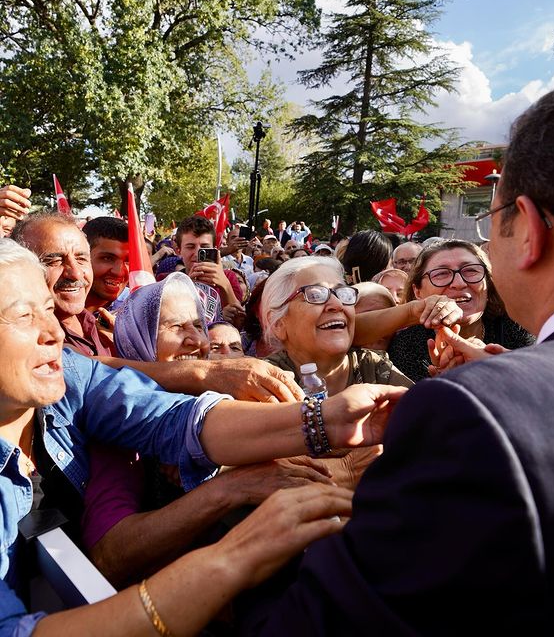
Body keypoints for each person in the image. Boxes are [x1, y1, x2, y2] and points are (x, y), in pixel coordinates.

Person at [237, 59, 554, 635]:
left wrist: (246, 560)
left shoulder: (478, 412)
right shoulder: (258, 380)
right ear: (273, 320)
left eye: (489, 220)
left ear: (527, 229)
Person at [0, 238, 406, 633]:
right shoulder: (102, 428)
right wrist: (231, 557)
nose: (54, 332)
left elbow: (180, 420)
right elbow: (101, 564)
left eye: (50, 310)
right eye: (23, 316)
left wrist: (330, 420)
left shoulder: (73, 377)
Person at [80, 273, 332, 587]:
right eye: (175, 326)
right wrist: (231, 488)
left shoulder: (226, 400)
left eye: (198, 326)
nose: (197, 341)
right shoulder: (116, 421)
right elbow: (108, 557)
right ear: (138, 336)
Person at [261, 257, 413, 489]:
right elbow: (255, 480)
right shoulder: (264, 384)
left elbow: (432, 423)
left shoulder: (372, 366)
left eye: (342, 293)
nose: (336, 305)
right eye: (315, 294)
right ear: (279, 323)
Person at [388, 238, 533, 382]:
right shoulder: (405, 346)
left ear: (488, 283)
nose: (459, 283)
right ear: (417, 291)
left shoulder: (515, 327)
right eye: (441, 273)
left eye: (471, 270)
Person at [13, 211, 115, 356]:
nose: (76, 273)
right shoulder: (25, 340)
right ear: (20, 269)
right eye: (54, 261)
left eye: (81, 259)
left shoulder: (101, 326)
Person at [82, 216, 129, 314]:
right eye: (107, 258)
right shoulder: (52, 306)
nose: (118, 272)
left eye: (128, 261)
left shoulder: (138, 310)